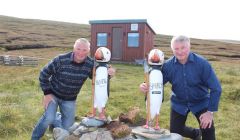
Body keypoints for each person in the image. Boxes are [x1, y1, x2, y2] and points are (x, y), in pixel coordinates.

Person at [139, 35, 222, 140]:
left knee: (208, 129)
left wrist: (209, 112)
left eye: (183, 47)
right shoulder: (168, 66)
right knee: (175, 133)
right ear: (172, 50)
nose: (180, 51)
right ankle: (195, 133)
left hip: (200, 101)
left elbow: (216, 88)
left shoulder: (202, 64)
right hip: (179, 102)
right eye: (176, 49)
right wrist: (145, 85)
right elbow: (157, 81)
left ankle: (203, 131)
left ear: (189, 46)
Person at [31, 38, 115, 140]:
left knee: (68, 128)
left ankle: (56, 118)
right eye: (78, 49)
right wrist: (47, 93)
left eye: (84, 50)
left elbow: (97, 76)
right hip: (53, 94)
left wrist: (109, 73)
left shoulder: (90, 64)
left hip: (70, 99)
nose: (81, 52)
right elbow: (43, 74)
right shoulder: (61, 60)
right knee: (48, 118)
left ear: (88, 51)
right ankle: (35, 137)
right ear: (74, 48)